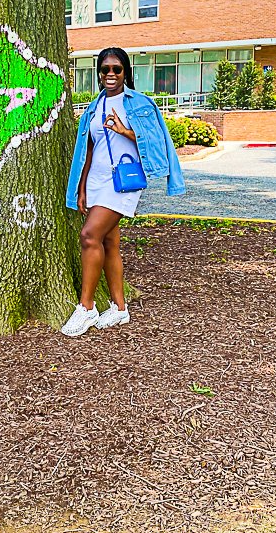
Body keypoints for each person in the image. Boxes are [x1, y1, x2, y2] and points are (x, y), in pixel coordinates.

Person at [61, 47, 185, 337]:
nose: (110, 75)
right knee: (109, 243)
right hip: (96, 180)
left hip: (125, 181)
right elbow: (87, 151)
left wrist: (123, 130)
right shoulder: (93, 107)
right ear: (99, 74)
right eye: (105, 70)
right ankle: (119, 308)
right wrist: (81, 189)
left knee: (89, 236)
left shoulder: (140, 104)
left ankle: (87, 307)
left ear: (126, 72)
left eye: (116, 69)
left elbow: (153, 144)